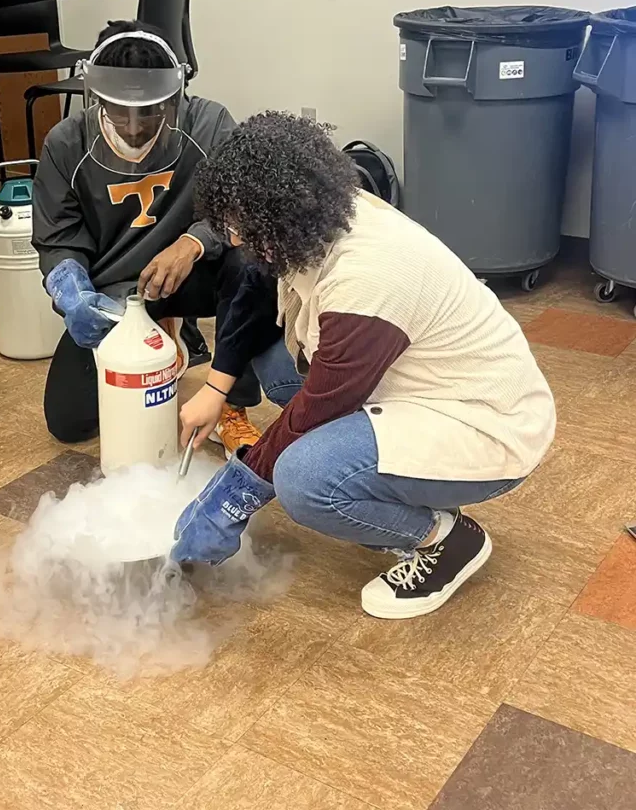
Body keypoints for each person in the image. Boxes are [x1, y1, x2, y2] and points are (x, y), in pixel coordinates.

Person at [173, 112, 556, 620]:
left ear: (278, 209)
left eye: (243, 224)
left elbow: (319, 408)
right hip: (406, 383)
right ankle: (391, 483)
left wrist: (234, 497)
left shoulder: (368, 278)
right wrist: (216, 390)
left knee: (303, 478)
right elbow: (253, 288)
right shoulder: (320, 216)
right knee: (274, 362)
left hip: (484, 419)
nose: (238, 239)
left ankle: (445, 541)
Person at [32, 20, 264, 454]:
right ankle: (159, 331)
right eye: (120, 110)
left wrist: (193, 242)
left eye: (152, 109)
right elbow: (57, 234)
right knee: (69, 421)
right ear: (95, 94)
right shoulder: (66, 143)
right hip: (117, 291)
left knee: (249, 264)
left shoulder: (208, 124)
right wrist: (70, 286)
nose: (135, 126)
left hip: (196, 273)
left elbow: (243, 207)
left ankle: (232, 406)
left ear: (174, 95)